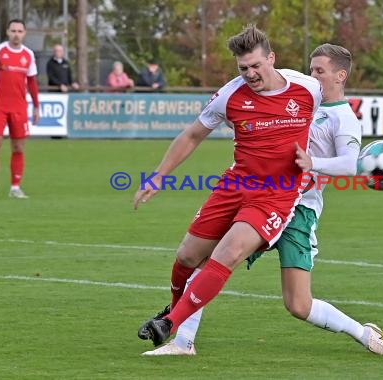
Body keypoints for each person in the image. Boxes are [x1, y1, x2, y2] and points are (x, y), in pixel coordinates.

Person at [141, 44, 383, 357]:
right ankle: (181, 340)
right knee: (209, 257)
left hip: (302, 210)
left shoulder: (344, 118)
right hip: (265, 198)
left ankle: (365, 334)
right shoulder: (304, 96)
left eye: (320, 71)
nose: (314, 76)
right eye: (312, 69)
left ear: (340, 75)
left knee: (298, 304)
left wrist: (313, 163)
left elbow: (350, 164)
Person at [133, 25, 322, 347]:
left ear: (271, 58)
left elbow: (333, 118)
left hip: (277, 194)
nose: (250, 74)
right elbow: (192, 135)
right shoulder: (229, 95)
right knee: (187, 257)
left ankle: (169, 322)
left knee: (229, 252)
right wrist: (159, 174)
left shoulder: (308, 89)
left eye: (256, 66)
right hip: (235, 184)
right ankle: (175, 308)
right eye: (243, 68)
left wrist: (329, 164)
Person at [0, 19, 40, 199]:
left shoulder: (28, 54)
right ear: (7, 32)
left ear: (24, 33)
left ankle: (15, 188)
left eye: (20, 31)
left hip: (20, 107)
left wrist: (36, 106)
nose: (16, 34)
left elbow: (32, 81)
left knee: (19, 148)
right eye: (13, 30)